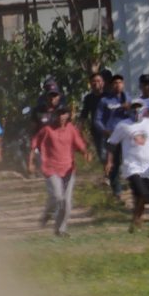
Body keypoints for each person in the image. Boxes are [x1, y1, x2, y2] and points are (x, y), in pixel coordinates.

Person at [31, 105, 89, 236]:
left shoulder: (71, 129)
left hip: (68, 169)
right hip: (51, 168)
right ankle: (48, 213)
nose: (61, 116)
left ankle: (60, 229)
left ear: (68, 115)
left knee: (66, 202)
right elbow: (34, 143)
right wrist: (31, 162)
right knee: (57, 196)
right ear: (55, 115)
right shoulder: (47, 129)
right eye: (59, 114)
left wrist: (85, 152)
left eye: (64, 114)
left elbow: (79, 144)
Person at [107, 98, 149, 229]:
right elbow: (111, 144)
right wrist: (109, 162)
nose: (136, 109)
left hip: (148, 168)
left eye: (139, 107)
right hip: (131, 167)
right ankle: (136, 219)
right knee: (143, 194)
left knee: (144, 197)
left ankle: (136, 218)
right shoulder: (123, 125)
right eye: (134, 107)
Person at [88, 71, 130, 190]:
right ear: (111, 85)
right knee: (113, 163)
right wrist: (105, 131)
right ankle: (117, 191)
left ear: (123, 84)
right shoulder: (105, 101)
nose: (118, 85)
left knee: (129, 161)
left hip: (126, 136)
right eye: (115, 83)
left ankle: (132, 186)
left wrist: (130, 110)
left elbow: (134, 117)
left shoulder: (128, 98)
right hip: (111, 136)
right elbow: (97, 119)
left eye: (120, 82)